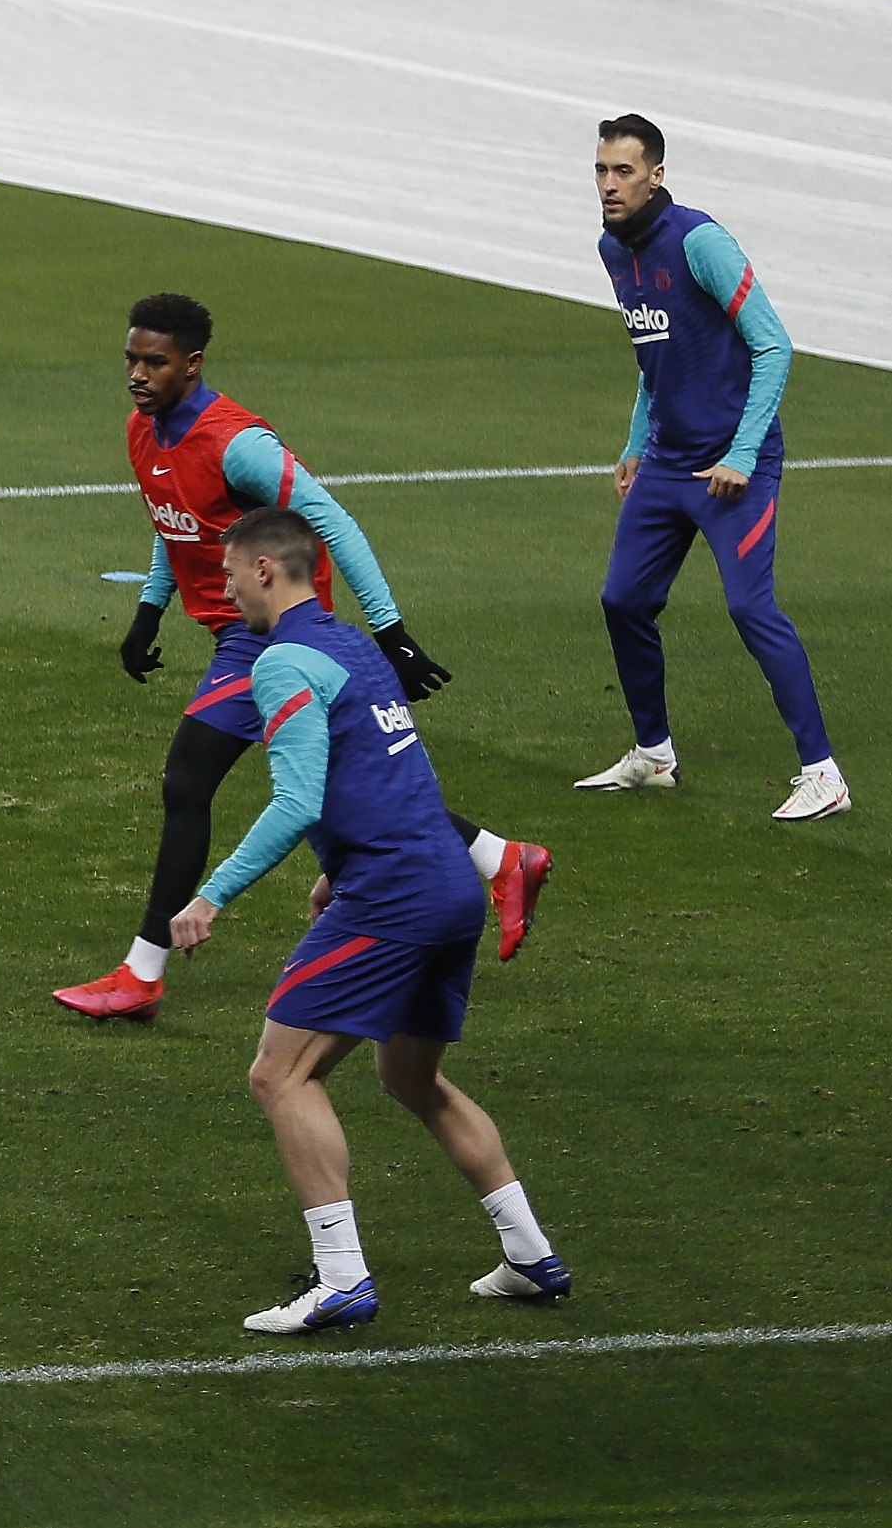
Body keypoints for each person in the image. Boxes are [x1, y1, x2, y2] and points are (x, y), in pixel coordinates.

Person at [53, 294, 548, 1022]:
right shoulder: (143, 430)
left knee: (187, 781)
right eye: (130, 357)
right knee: (349, 785)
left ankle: (142, 970)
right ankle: (500, 857)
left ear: (191, 365)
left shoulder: (237, 442)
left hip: (272, 636)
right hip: (236, 635)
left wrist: (391, 632)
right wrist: (147, 610)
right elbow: (176, 521)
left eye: (153, 361)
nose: (136, 372)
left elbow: (330, 519)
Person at [171, 509, 571, 1334]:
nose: (223, 587)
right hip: (445, 888)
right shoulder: (351, 645)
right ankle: (530, 1252)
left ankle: (341, 1277)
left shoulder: (281, 661)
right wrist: (334, 869)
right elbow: (393, 776)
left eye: (229, 573)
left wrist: (211, 894)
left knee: (278, 1075)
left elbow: (297, 799)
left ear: (266, 573)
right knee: (408, 1078)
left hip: (391, 897)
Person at [578, 114, 843, 820]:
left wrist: (741, 452)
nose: (608, 184)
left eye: (622, 171)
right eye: (600, 170)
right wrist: (636, 442)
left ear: (656, 175)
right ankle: (653, 752)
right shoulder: (612, 248)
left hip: (733, 466)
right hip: (666, 461)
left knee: (749, 607)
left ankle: (822, 774)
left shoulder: (699, 241)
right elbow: (651, 355)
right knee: (621, 599)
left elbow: (774, 346)